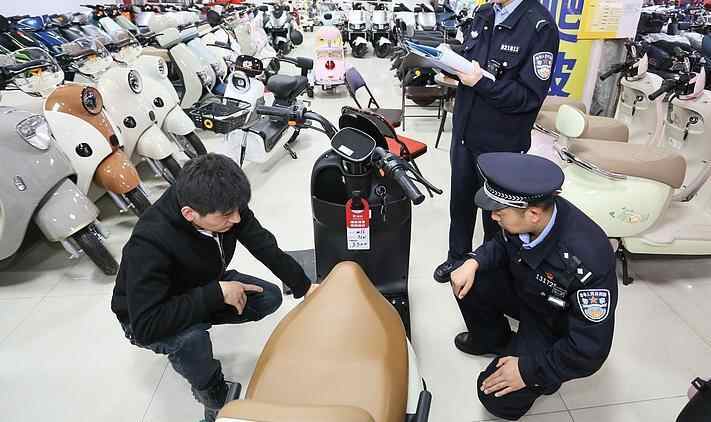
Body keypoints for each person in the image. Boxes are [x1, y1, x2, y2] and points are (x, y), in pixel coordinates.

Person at [111, 153, 316, 422]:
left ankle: (201, 316)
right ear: (189, 214)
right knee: (191, 339)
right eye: (227, 215)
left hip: (200, 282)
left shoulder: (221, 200)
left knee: (269, 297)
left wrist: (305, 287)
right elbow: (145, 326)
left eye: (239, 210)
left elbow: (262, 243)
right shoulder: (149, 243)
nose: (237, 219)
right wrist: (217, 293)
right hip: (151, 314)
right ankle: (213, 396)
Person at [448, 153, 617, 421]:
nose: (493, 217)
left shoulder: (588, 256)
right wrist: (474, 261)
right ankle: (493, 340)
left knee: (495, 398)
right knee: (466, 277)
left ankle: (534, 362)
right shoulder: (523, 215)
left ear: (534, 214)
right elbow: (502, 243)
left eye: (499, 212)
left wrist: (528, 371)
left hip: (552, 321)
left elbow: (589, 350)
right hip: (526, 291)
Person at [434, 0, 560, 284]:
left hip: (501, 144)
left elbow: (528, 97)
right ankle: (457, 257)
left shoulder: (539, 27)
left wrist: (481, 83)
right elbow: (472, 63)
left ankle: (488, 269)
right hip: (465, 134)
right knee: (461, 202)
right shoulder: (484, 13)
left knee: (497, 214)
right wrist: (448, 63)